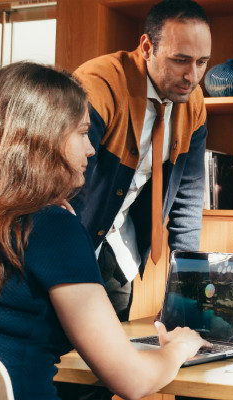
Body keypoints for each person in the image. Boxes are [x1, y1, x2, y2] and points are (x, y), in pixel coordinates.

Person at [0, 62, 209, 400]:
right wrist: (179, 348)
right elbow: (132, 380)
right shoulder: (50, 227)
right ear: (44, 137)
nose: (92, 148)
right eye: (82, 132)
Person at [71, 0, 211, 322]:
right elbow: (66, 183)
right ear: (147, 47)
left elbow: (187, 198)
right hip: (73, 238)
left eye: (202, 62)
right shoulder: (98, 85)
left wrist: (188, 285)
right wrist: (65, 264)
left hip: (119, 250)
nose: (192, 76)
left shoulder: (193, 103)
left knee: (113, 358)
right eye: (180, 60)